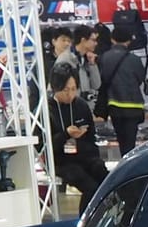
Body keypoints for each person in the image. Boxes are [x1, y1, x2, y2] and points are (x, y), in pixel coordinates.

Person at [45, 65, 108, 214]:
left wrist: (94, 157)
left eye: (73, 89)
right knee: (90, 187)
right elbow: (45, 146)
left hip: (84, 155)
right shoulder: (47, 110)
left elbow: (91, 137)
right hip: (61, 161)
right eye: (66, 90)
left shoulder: (81, 105)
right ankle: (85, 221)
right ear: (55, 88)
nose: (70, 94)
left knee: (105, 178)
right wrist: (66, 134)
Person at [97, 23, 146, 154]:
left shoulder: (104, 57)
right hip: (134, 105)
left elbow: (101, 79)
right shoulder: (135, 59)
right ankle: (130, 162)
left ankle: (124, 161)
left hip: (115, 105)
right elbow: (140, 78)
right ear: (129, 41)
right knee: (130, 142)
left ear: (112, 39)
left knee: (121, 140)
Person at [56, 25, 102, 108]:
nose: (96, 43)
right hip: (70, 108)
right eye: (93, 40)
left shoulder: (87, 59)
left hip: (86, 107)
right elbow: (57, 88)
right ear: (83, 40)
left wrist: (92, 65)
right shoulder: (65, 59)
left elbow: (96, 85)